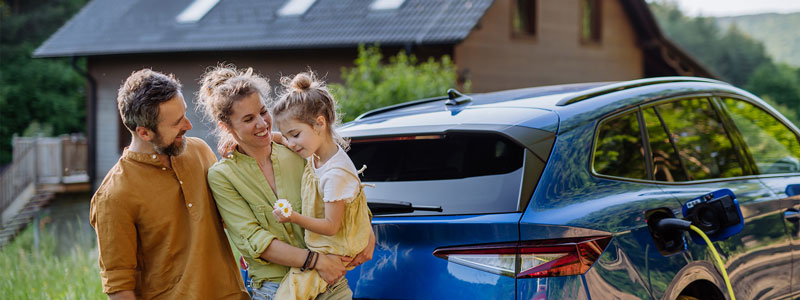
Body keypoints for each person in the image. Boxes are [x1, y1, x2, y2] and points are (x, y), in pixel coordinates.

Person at [197, 65, 375, 300]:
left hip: (329, 284)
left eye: (263, 112)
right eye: (249, 119)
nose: (262, 124)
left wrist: (369, 234)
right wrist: (316, 261)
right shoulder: (222, 176)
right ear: (226, 127)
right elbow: (255, 240)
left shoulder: (297, 150)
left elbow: (342, 190)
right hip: (275, 289)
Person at [89, 69, 249, 300]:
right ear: (144, 132)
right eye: (176, 123)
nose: (188, 125)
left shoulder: (199, 151)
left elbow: (233, 219)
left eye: (184, 114)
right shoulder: (114, 196)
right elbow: (119, 288)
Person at [269, 72, 372, 300]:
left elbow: (330, 226)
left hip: (335, 250)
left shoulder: (335, 173)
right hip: (325, 247)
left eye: (295, 134)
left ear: (319, 123)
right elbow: (283, 139)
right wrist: (265, 137)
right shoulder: (316, 150)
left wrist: (292, 217)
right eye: (288, 136)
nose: (291, 143)